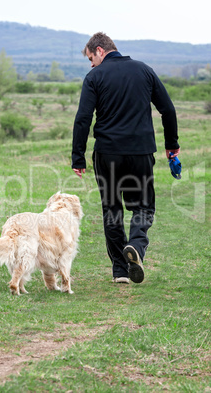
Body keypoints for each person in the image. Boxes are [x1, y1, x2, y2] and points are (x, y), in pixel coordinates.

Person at [71, 32, 180, 284]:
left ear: (99, 50)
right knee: (143, 206)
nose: (91, 64)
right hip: (140, 152)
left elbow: (83, 119)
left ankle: (120, 271)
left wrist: (78, 157)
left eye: (90, 58)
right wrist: (171, 146)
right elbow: (168, 110)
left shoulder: (94, 77)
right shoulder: (144, 70)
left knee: (112, 209)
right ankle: (136, 247)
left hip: (107, 154)